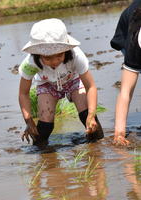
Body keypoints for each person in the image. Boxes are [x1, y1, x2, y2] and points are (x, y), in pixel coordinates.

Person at [18, 18, 103, 146]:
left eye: (59, 55)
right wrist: (28, 121)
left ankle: (97, 147)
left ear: (66, 50)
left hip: (73, 80)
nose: (54, 61)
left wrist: (91, 114)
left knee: (88, 118)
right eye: (47, 58)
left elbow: (90, 86)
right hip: (47, 86)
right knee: (44, 127)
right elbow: (23, 93)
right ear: (38, 54)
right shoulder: (30, 63)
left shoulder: (76, 56)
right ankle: (42, 156)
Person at [110, 0, 141, 146]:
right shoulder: (135, 44)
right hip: (127, 32)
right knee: (130, 83)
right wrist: (119, 134)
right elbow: (125, 92)